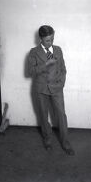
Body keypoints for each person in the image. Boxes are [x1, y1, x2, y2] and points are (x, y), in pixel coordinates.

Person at [28, 25, 75, 155]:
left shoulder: (58, 50)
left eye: (52, 39)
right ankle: (47, 139)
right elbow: (30, 72)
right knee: (43, 115)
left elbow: (63, 68)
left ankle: (65, 143)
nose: (51, 43)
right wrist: (45, 64)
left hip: (57, 88)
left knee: (61, 115)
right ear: (41, 39)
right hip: (41, 89)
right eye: (48, 40)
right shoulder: (33, 52)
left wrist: (62, 83)